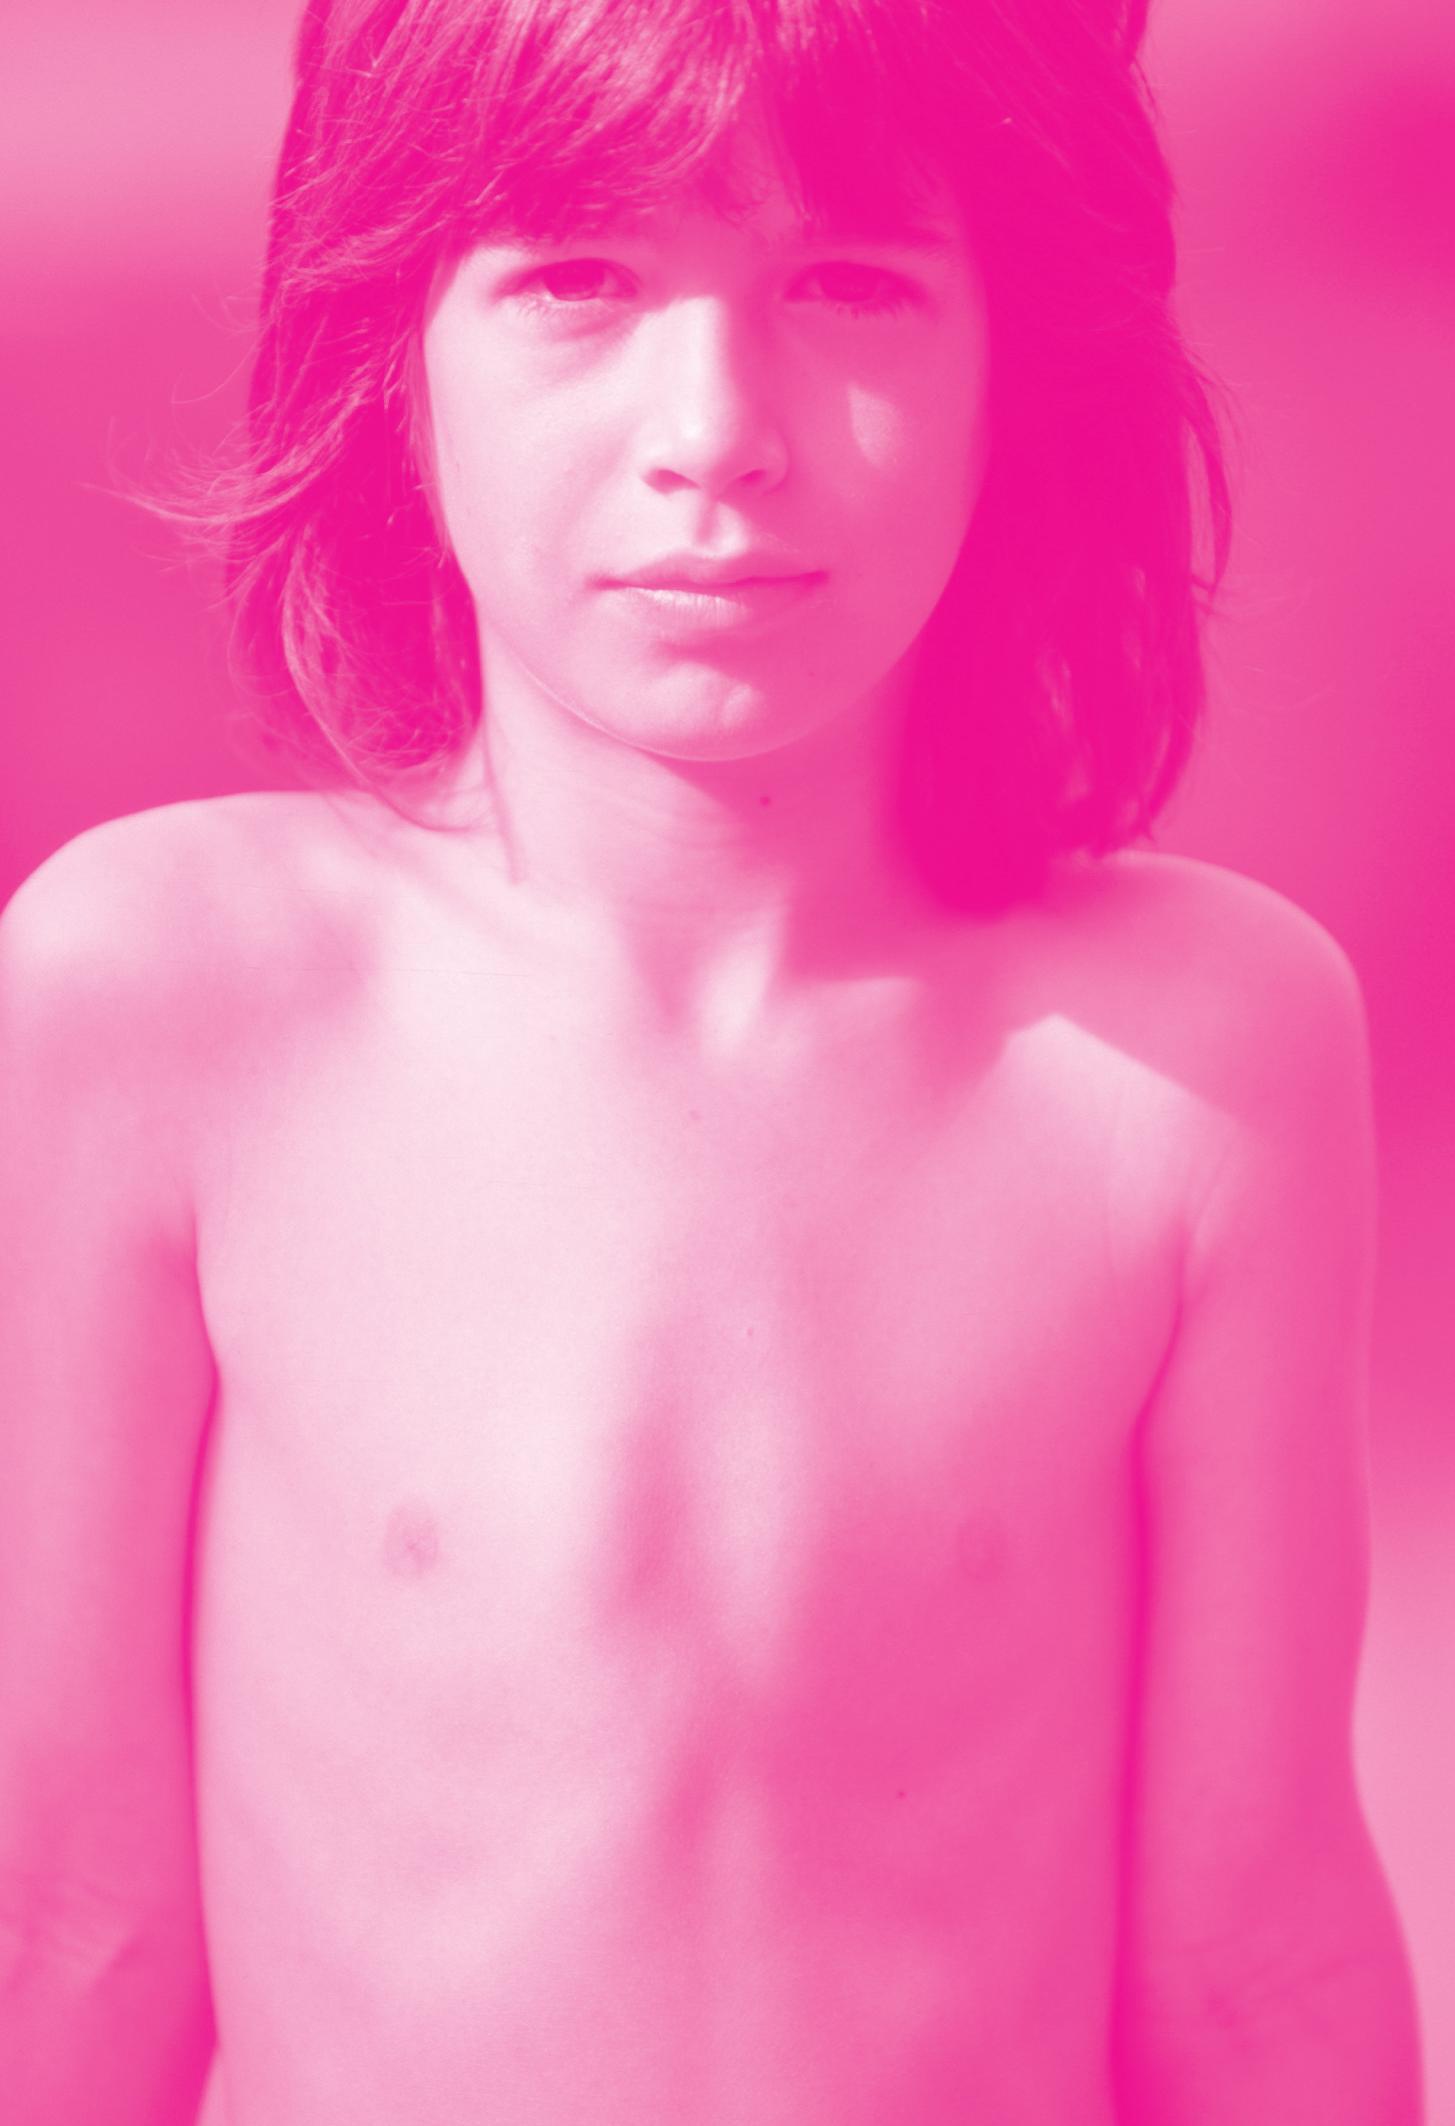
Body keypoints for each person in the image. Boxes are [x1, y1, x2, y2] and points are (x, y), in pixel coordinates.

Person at [0, 0, 1425, 2120]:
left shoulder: (1193, 1060)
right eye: (576, 276)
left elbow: (1255, 1960)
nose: (715, 429)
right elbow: (75, 1927)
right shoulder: (164, 999)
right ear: (388, 345)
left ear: (1019, 362)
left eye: (847, 283)